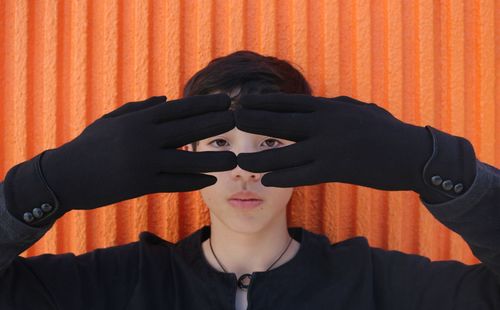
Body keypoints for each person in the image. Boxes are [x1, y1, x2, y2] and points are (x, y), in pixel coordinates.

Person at [0, 50, 498, 309]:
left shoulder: (380, 286)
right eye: (219, 145)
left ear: (316, 156)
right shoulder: (112, 286)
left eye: (271, 144)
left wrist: (433, 164)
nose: (243, 169)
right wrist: (47, 184)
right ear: (185, 153)